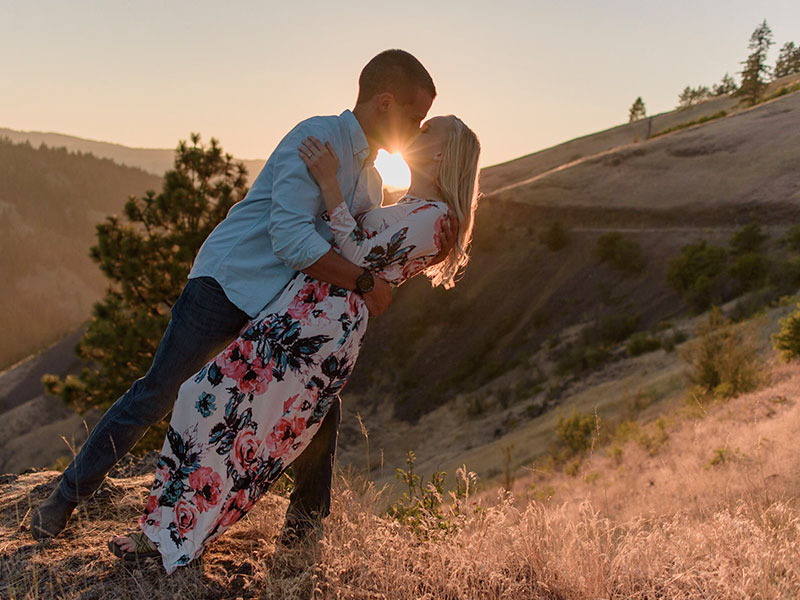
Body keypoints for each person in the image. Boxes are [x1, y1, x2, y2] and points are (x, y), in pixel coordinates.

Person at [31, 49, 454, 546]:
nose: (418, 127)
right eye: (415, 115)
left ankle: (302, 535)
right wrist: (364, 283)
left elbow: (350, 245)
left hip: (277, 311)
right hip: (227, 284)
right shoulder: (315, 139)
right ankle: (61, 501)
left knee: (321, 406)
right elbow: (293, 241)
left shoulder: (373, 180)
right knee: (157, 393)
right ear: (385, 103)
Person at [108, 114, 481, 573]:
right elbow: (363, 250)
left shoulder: (433, 218)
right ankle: (172, 533)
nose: (415, 132)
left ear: (442, 153)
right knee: (225, 412)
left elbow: (357, 253)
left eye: (428, 132)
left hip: (316, 329)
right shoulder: (416, 205)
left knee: (213, 404)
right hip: (304, 313)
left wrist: (329, 184)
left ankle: (172, 537)